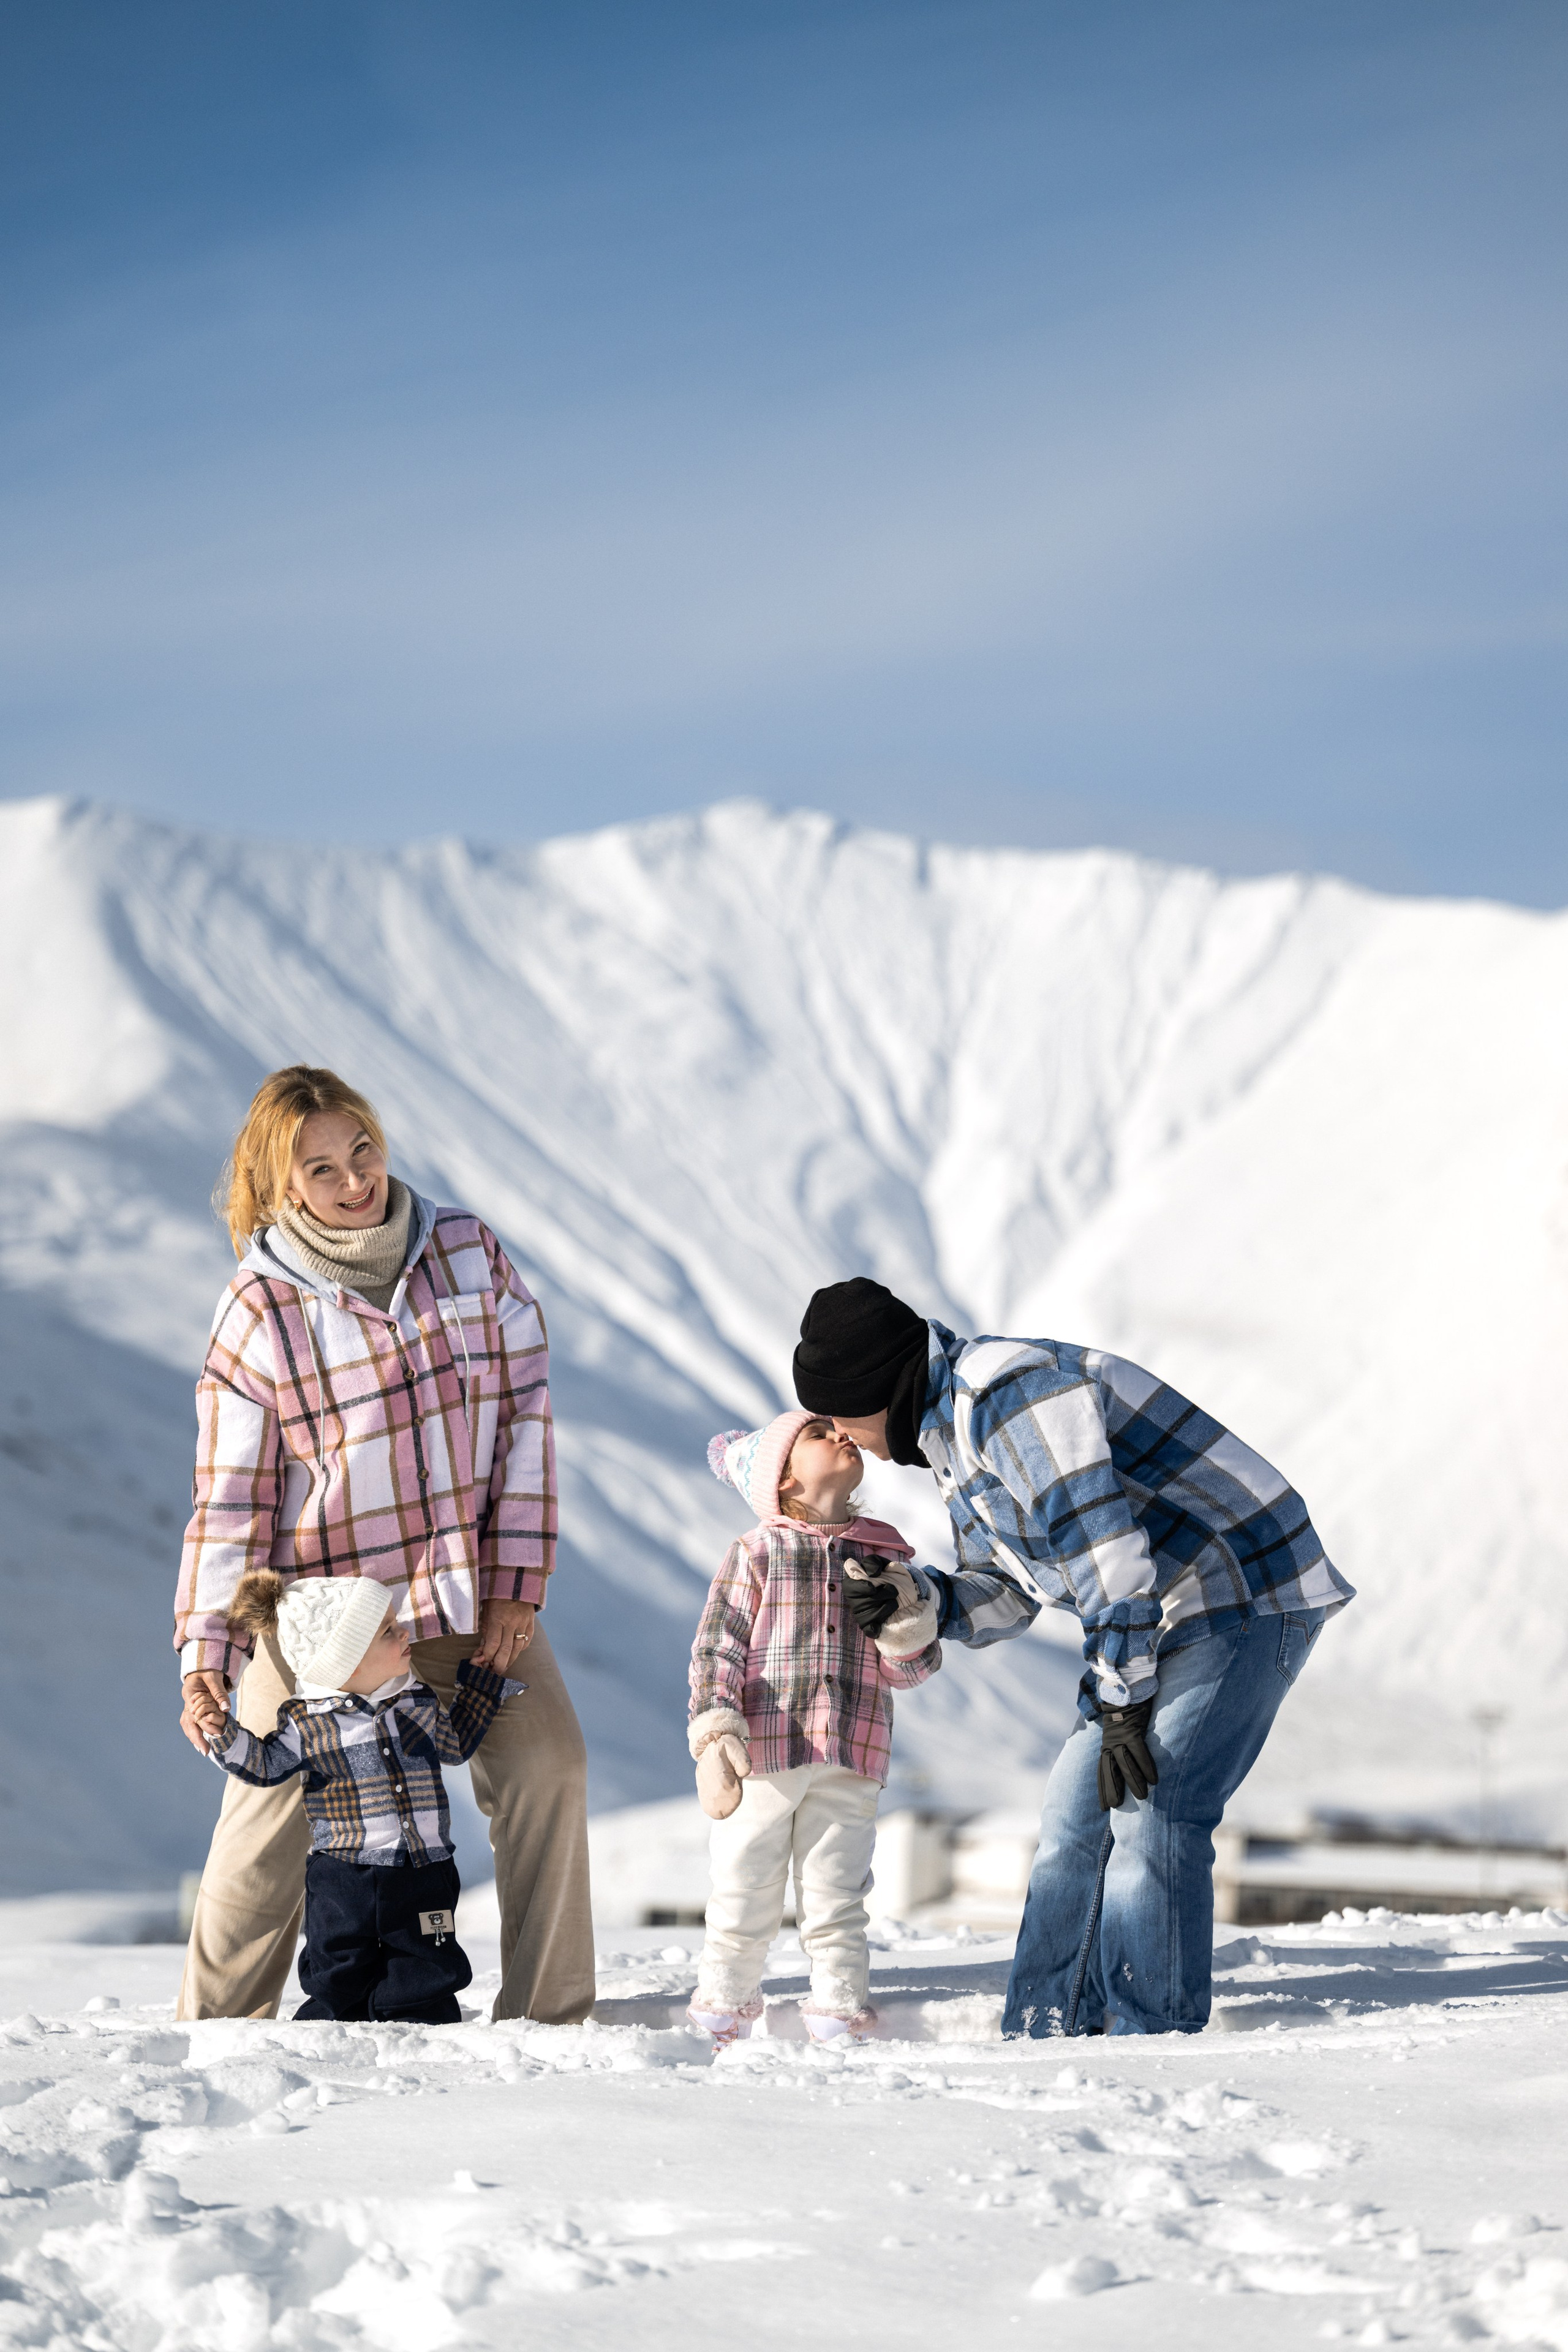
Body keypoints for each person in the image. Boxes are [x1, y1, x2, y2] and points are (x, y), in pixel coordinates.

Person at [792, 1277, 1355, 2038]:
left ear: (874, 1390)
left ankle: (1146, 2030)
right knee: (1072, 1814)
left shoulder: (1009, 1397)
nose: (837, 1433)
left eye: (836, 1413)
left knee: (1155, 1804)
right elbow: (1012, 1592)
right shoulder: (954, 1439)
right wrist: (922, 1601)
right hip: (1158, 1612)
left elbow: (1110, 1561)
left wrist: (1122, 1703)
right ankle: (1045, 2024)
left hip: (1243, 1583)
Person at [174, 1064, 594, 2026]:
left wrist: (516, 1586)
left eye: (360, 1147)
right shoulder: (258, 1312)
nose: (354, 1178)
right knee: (266, 1823)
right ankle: (214, 2036)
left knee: (549, 1767)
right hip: (326, 1628)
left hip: (463, 1597)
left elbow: (525, 1418)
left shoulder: (467, 1252)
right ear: (283, 1189)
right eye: (321, 1169)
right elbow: (228, 1501)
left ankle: (552, 2024)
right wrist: (208, 1658)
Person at [686, 1409, 941, 2046]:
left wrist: (906, 1634)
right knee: (745, 1883)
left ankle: (838, 2011)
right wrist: (717, 1730)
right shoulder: (755, 1552)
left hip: (853, 1750)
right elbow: (718, 1647)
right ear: (786, 1481)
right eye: (818, 1435)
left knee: (838, 1892)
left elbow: (910, 1671)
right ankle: (723, 2003)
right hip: (765, 1753)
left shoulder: (884, 1555)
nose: (840, 1435)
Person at [191, 1570, 523, 2022]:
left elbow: (456, 1745)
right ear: (344, 1662)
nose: (405, 1632)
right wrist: (223, 1733)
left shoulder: (417, 1702)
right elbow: (265, 1766)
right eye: (388, 1631)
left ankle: (424, 2021)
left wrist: (483, 1686)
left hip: (424, 1867)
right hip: (344, 1874)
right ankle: (333, 2026)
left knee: (429, 1953)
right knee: (338, 1959)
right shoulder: (309, 1723)